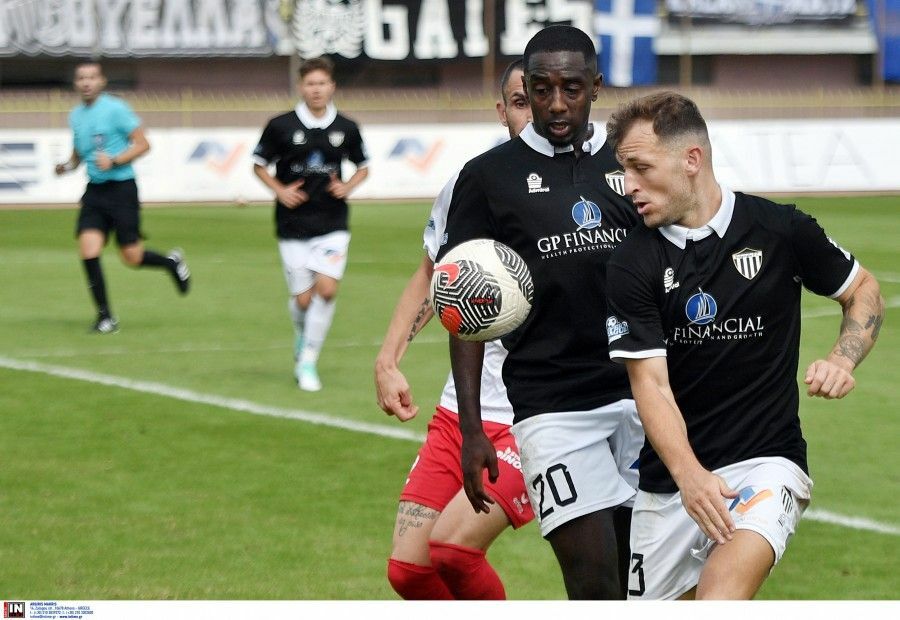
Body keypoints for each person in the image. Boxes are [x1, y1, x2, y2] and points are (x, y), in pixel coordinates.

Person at [603, 91, 885, 600]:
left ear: (692, 159)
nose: (629, 186)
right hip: (672, 484)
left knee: (719, 599)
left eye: (641, 168)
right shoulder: (631, 263)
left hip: (766, 463)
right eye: (625, 170)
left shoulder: (780, 230)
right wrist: (690, 476)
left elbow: (862, 290)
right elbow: (651, 386)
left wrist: (843, 359)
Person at [437, 26, 644, 599]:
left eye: (571, 89)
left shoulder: (631, 162)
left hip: (643, 398)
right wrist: (472, 430)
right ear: (524, 88)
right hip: (552, 409)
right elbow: (463, 309)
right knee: (594, 580)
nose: (556, 104)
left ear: (595, 87)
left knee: (641, 582)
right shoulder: (487, 177)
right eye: (542, 89)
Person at [375, 60, 534, 600]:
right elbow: (432, 276)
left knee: (454, 551)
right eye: (520, 102)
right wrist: (388, 360)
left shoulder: (589, 186)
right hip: (462, 409)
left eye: (538, 98)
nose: (533, 113)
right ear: (502, 111)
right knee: (410, 570)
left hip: (539, 413)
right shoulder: (470, 183)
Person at [252, 56, 369, 391]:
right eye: (310, 84)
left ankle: (308, 361)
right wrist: (280, 191)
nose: (316, 89)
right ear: (301, 87)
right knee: (303, 301)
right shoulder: (280, 125)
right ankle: (302, 335)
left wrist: (347, 186)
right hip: (292, 224)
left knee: (327, 291)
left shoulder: (346, 127)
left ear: (332, 87)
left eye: (322, 83)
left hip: (333, 222)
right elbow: (258, 164)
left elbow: (363, 166)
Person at [55, 61, 191, 334]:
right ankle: (105, 317)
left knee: (132, 256)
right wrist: (66, 166)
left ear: (102, 81)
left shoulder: (116, 109)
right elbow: (78, 154)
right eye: (81, 78)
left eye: (92, 77)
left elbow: (143, 144)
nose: (86, 83)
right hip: (95, 191)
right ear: (75, 83)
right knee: (88, 251)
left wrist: (115, 160)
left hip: (122, 190)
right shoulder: (76, 115)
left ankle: (171, 263)